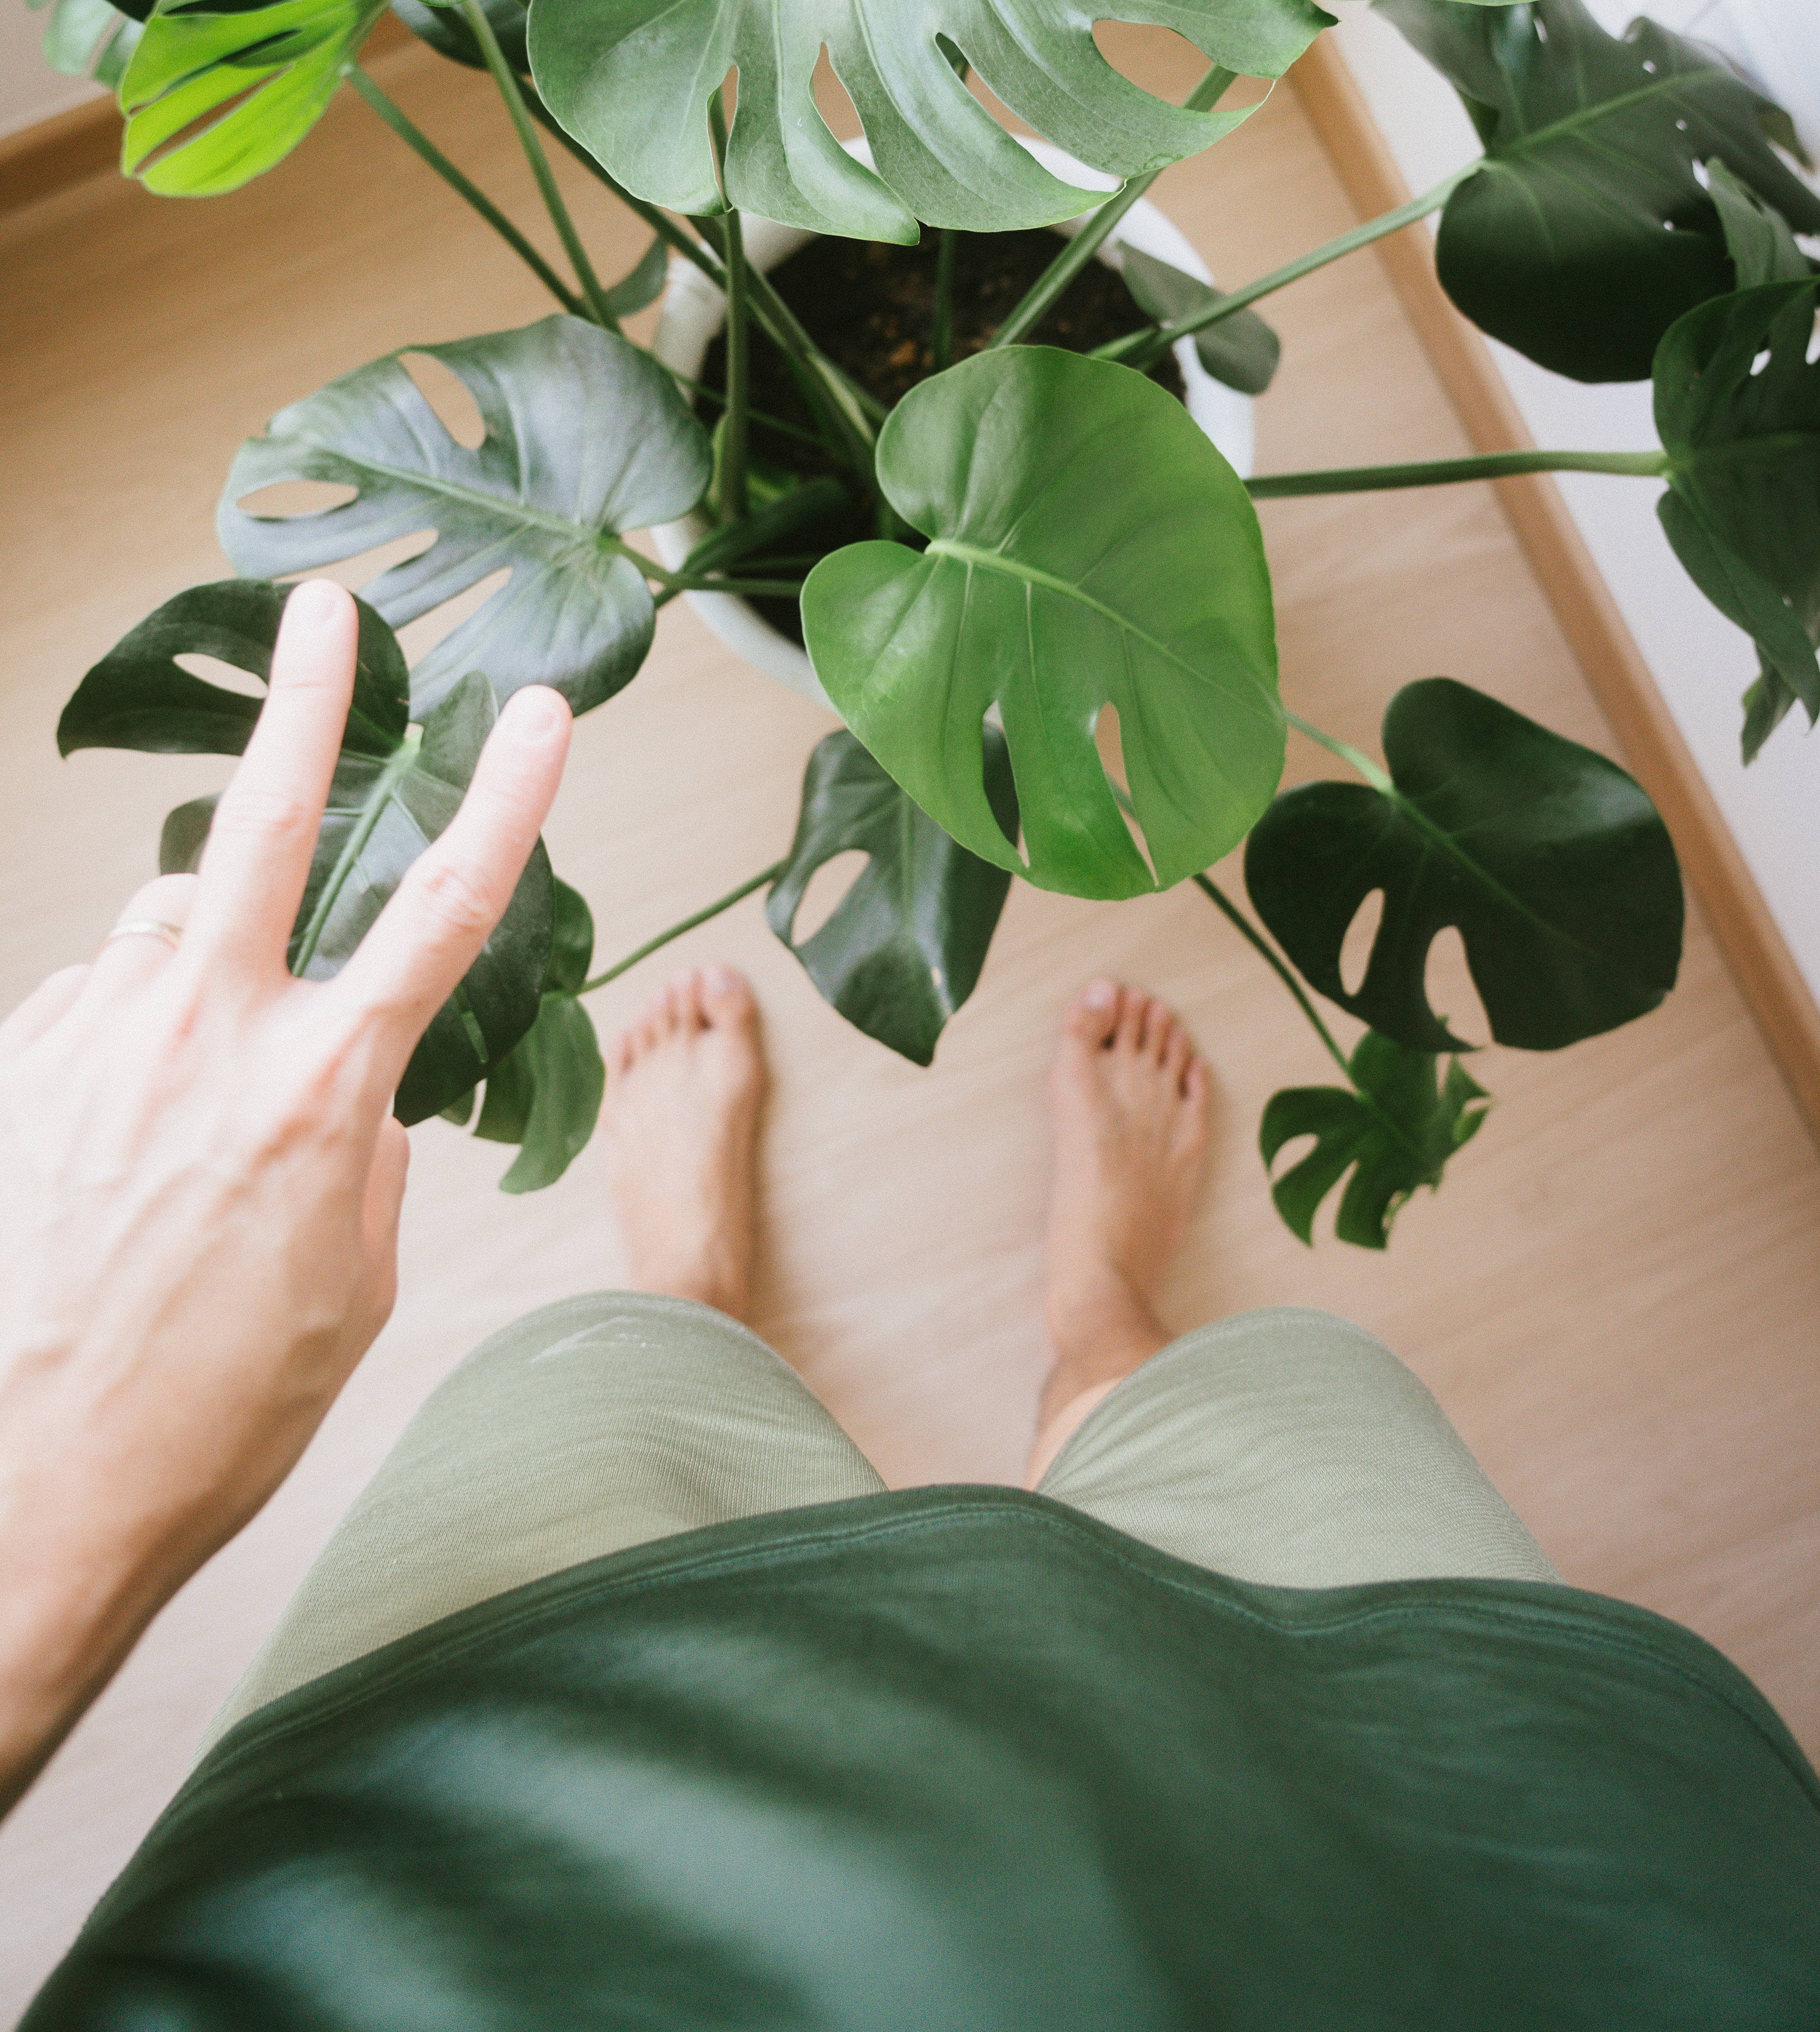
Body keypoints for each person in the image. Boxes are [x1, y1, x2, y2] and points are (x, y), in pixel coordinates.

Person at [1, 583, 1815, 2030]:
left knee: (610, 1411)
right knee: (1283, 1422)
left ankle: (696, 1293)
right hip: (1439, 1911)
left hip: (482, 1884)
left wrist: (70, 1485)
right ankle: (1095, 1314)